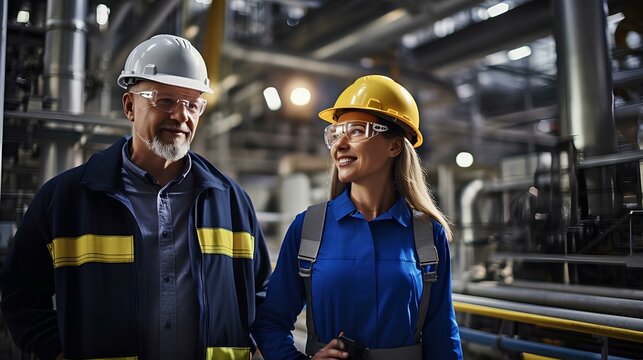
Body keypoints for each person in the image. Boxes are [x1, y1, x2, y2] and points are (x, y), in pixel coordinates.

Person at [0, 34, 271, 360]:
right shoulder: (65, 199)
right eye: (165, 100)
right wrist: (57, 351)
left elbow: (261, 295)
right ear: (129, 106)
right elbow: (20, 296)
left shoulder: (232, 202)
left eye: (192, 104)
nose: (181, 116)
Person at [252, 75, 463, 359]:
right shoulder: (309, 228)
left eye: (355, 131)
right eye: (335, 133)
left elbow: (442, 333)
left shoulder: (427, 234)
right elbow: (271, 321)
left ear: (394, 146)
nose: (340, 144)